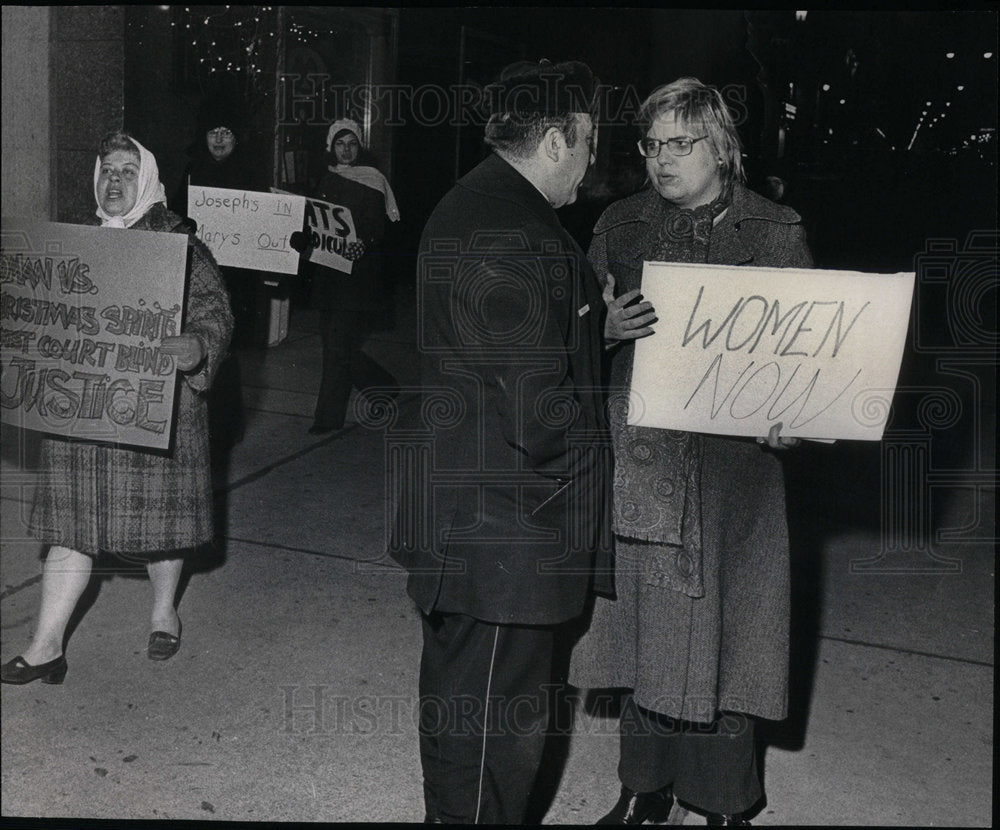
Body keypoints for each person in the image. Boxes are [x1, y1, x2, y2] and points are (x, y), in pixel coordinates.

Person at [568, 78, 813, 826]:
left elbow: (810, 361)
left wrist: (794, 417)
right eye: (651, 145)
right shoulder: (619, 223)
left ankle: (724, 799)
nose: (662, 160)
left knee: (729, 638)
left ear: (722, 147)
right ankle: (644, 789)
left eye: (681, 143)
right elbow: (571, 329)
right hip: (641, 456)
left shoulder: (774, 232)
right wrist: (598, 328)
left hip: (731, 473)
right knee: (646, 631)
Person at [389, 59, 613, 824]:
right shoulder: (509, 232)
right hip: (504, 532)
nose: (592, 162)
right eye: (588, 144)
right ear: (557, 139)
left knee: (478, 717)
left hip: (479, 521)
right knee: (489, 733)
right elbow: (539, 414)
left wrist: (589, 326)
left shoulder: (481, 203)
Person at [0, 132, 233, 684]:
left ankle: (162, 612)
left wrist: (198, 346)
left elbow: (216, 312)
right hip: (79, 412)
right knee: (71, 526)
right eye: (107, 169)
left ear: (147, 181)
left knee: (160, 526)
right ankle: (45, 646)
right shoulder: (74, 243)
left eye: (128, 172)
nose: (114, 181)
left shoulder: (178, 242)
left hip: (153, 412)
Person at [307, 118, 400, 434]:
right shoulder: (325, 180)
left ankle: (327, 419)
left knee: (337, 346)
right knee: (336, 346)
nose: (346, 151)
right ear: (331, 147)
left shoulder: (372, 180)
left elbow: (378, 228)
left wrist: (364, 242)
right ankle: (383, 385)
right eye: (340, 144)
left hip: (356, 276)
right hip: (328, 275)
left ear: (360, 147)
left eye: (352, 144)